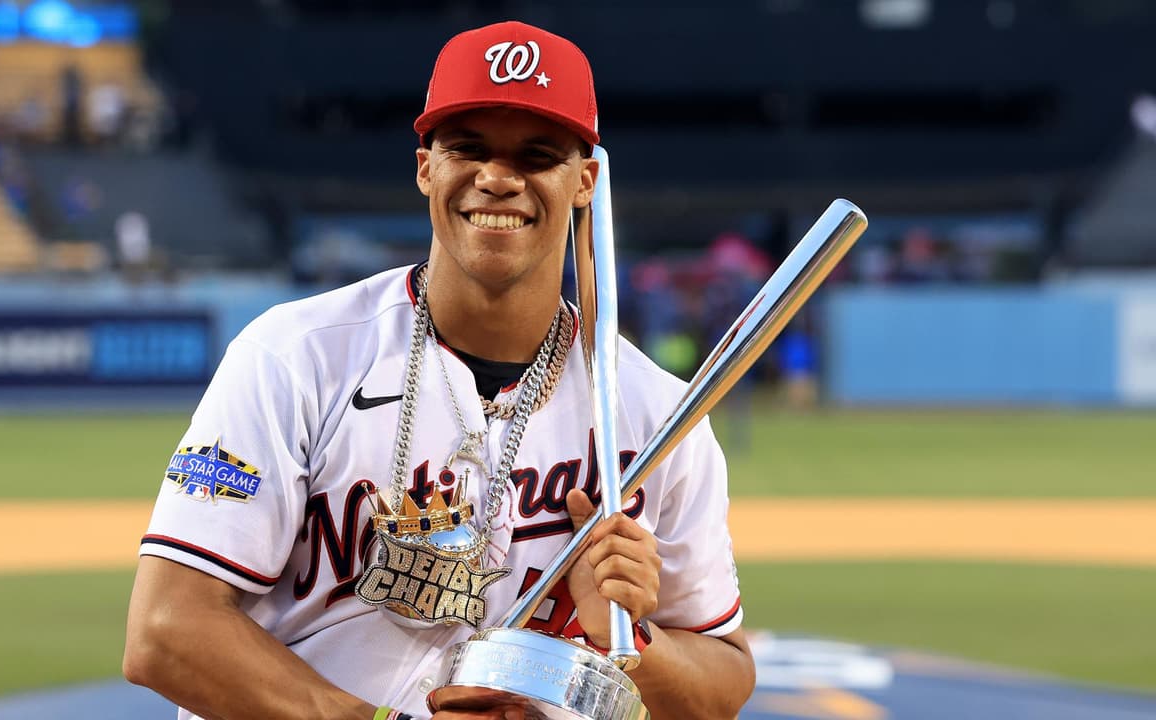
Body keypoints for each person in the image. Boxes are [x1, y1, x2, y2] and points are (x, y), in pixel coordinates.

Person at [123, 21, 755, 720]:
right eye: (468, 148)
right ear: (426, 165)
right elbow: (166, 632)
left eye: (537, 154)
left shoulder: (656, 414)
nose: (496, 178)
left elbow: (722, 684)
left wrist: (630, 638)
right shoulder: (296, 357)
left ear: (585, 181)